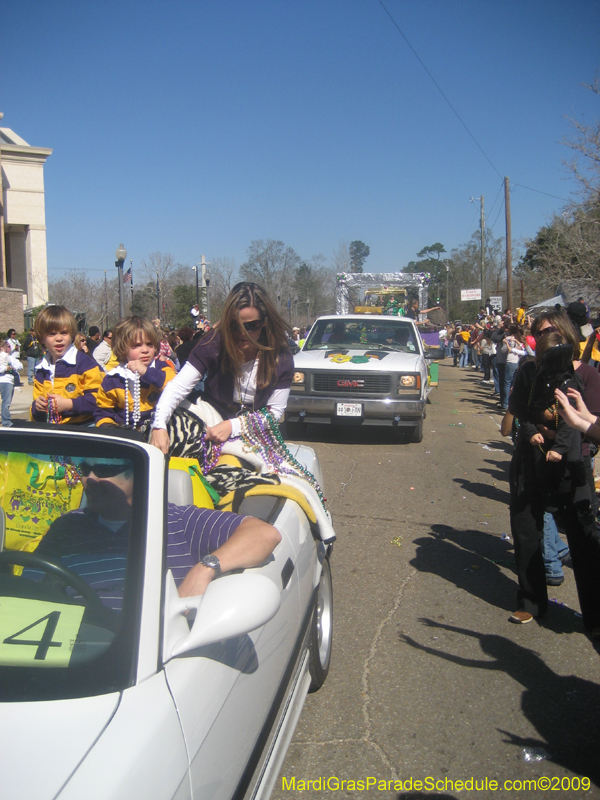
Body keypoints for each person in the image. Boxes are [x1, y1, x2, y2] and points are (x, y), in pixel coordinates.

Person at [33, 457, 282, 606]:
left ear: (138, 476)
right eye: (85, 468)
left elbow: (263, 534)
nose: (89, 479)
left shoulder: (178, 521)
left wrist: (204, 569)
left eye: (104, 469)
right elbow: (29, 591)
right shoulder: (67, 527)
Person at [507, 311, 600, 636]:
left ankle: (595, 617)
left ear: (567, 335)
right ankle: (531, 600)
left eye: (551, 331)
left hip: (573, 465)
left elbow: (593, 422)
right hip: (530, 459)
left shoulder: (586, 374)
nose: (546, 337)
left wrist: (563, 427)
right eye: (539, 332)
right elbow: (517, 405)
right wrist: (535, 426)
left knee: (585, 541)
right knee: (526, 530)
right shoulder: (527, 370)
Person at [151, 282, 294, 453]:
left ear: (264, 322)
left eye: (251, 326)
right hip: (210, 417)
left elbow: (275, 413)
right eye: (236, 326)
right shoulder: (212, 343)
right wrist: (159, 426)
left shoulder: (281, 355)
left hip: (257, 425)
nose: (243, 333)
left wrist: (233, 426)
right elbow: (177, 387)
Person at [95, 316, 176, 429]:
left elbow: (176, 388)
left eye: (149, 344)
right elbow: (103, 411)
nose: (145, 350)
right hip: (125, 437)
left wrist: (146, 372)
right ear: (122, 348)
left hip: (159, 433)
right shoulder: (113, 379)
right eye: (137, 345)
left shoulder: (162, 369)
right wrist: (111, 428)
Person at [31, 306, 103, 425]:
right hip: (52, 430)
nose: (59, 338)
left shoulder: (86, 364)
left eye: (64, 333)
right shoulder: (41, 370)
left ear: (72, 335)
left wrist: (68, 404)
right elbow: (35, 410)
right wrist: (37, 407)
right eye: (52, 334)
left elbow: (99, 400)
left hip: (84, 427)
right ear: (42, 338)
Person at [0, 339, 23, 426]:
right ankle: (6, 422)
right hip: (5, 381)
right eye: (8, 346)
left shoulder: (10, 358)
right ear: (3, 347)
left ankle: (6, 421)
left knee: (6, 402)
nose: (10, 348)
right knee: (6, 403)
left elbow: (20, 365)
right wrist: (6, 368)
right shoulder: (5, 356)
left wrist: (12, 368)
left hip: (8, 381)